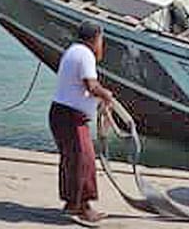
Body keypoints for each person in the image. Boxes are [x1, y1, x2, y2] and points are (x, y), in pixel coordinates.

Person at [49, 21, 115, 227]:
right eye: (101, 40)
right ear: (95, 38)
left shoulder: (73, 51)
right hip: (70, 117)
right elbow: (91, 85)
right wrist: (106, 95)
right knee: (83, 161)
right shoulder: (86, 54)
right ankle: (84, 207)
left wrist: (99, 99)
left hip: (62, 114)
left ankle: (72, 204)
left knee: (73, 160)